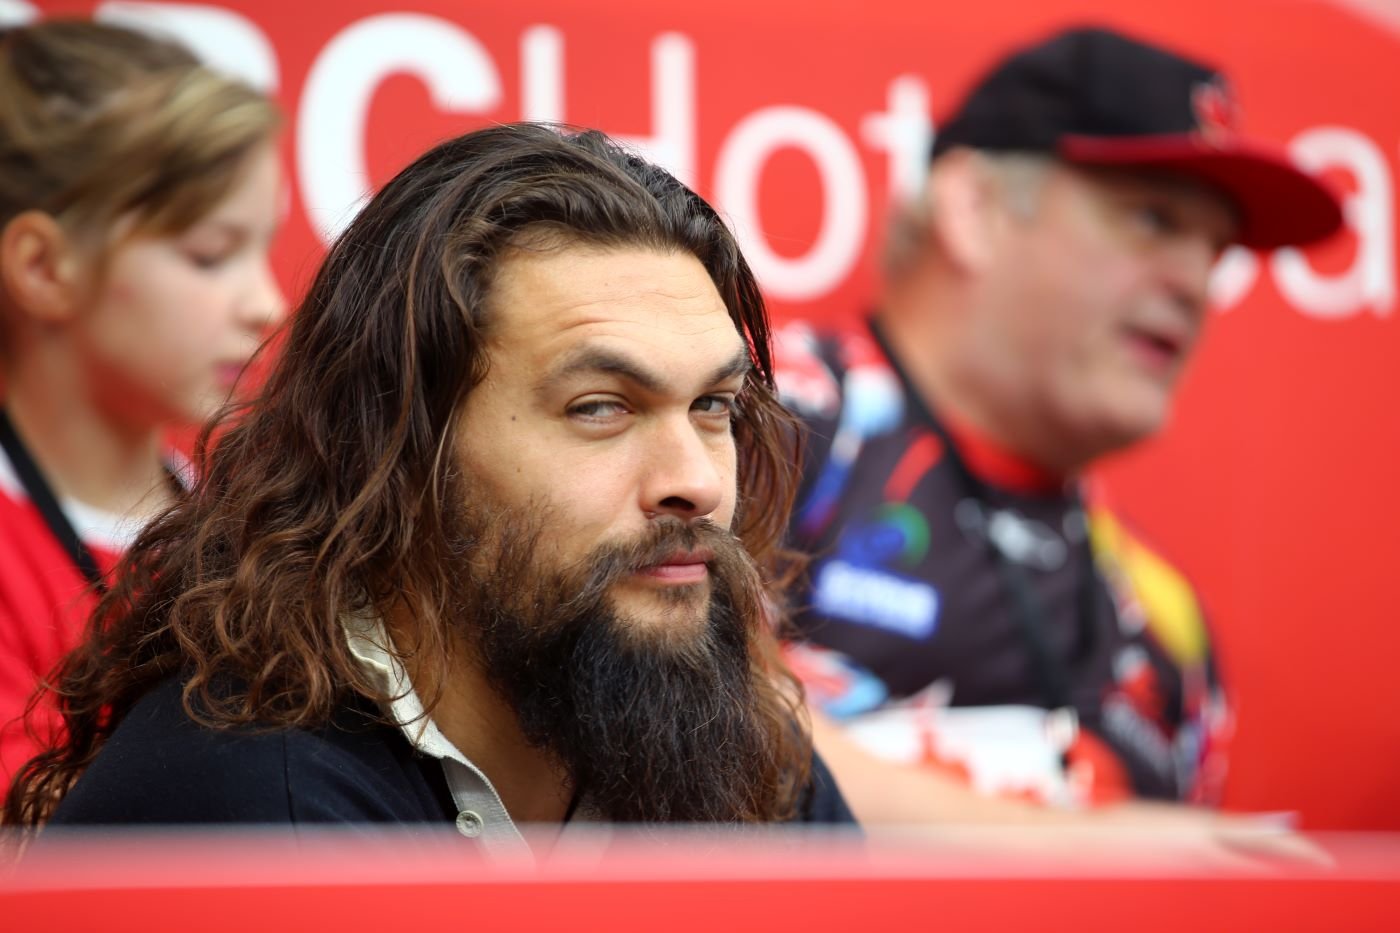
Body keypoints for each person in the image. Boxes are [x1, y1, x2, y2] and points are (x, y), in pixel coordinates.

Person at [3, 123, 853, 846]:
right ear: (402, 454)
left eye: (713, 405)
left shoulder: (723, 737)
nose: (696, 482)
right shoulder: (259, 809)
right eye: (600, 408)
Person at [775, 26, 1343, 824]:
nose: (1195, 282)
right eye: (1152, 219)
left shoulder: (1166, 630)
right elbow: (655, 735)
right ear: (973, 208)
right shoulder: (759, 414)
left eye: (1214, 248)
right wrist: (1074, 849)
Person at [0, 20, 286, 782]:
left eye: (264, 248)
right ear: (43, 266)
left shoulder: (250, 520)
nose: (268, 302)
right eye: (210, 255)